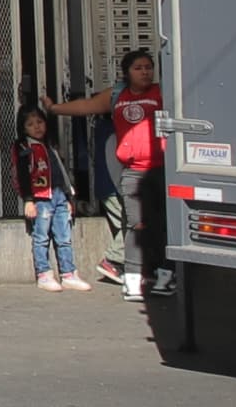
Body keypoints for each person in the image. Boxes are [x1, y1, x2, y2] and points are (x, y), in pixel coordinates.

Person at [44, 46, 168, 303]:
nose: (145, 72)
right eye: (138, 68)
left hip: (163, 170)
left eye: (148, 67)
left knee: (165, 226)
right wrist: (55, 108)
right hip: (133, 172)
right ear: (126, 73)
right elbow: (86, 106)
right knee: (136, 226)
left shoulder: (162, 92)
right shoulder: (117, 95)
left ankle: (165, 277)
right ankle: (133, 281)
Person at [13, 102, 84, 289]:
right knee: (41, 237)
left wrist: (68, 197)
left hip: (59, 196)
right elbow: (22, 174)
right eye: (30, 124)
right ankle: (44, 274)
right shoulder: (23, 147)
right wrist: (28, 200)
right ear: (22, 128)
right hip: (40, 198)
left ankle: (68, 273)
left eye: (39, 122)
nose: (37, 127)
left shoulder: (50, 145)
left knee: (64, 236)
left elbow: (61, 171)